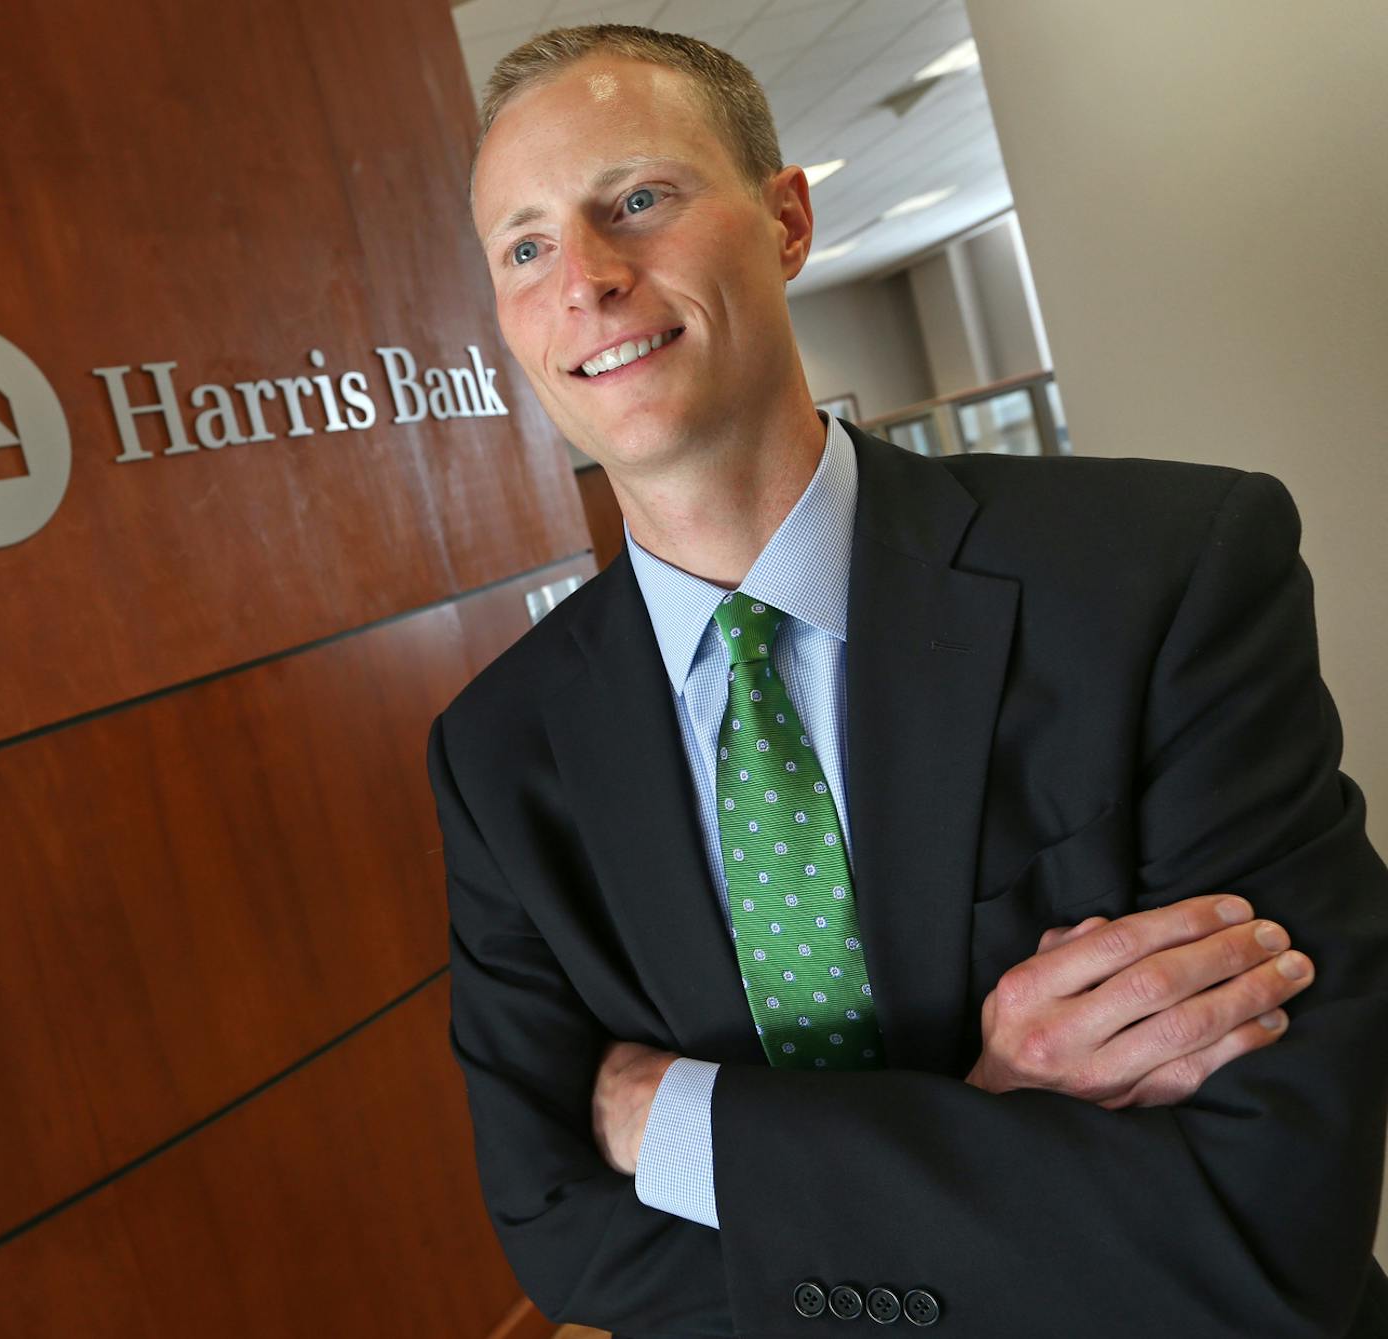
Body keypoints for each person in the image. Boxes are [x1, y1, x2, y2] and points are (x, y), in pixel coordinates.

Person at [426, 24, 1388, 1339]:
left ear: (787, 221)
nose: (586, 279)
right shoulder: (499, 751)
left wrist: (685, 1123)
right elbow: (567, 1242)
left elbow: (1272, 1219)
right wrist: (988, 1106)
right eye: (525, 248)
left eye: (638, 199)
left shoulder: (1164, 576)